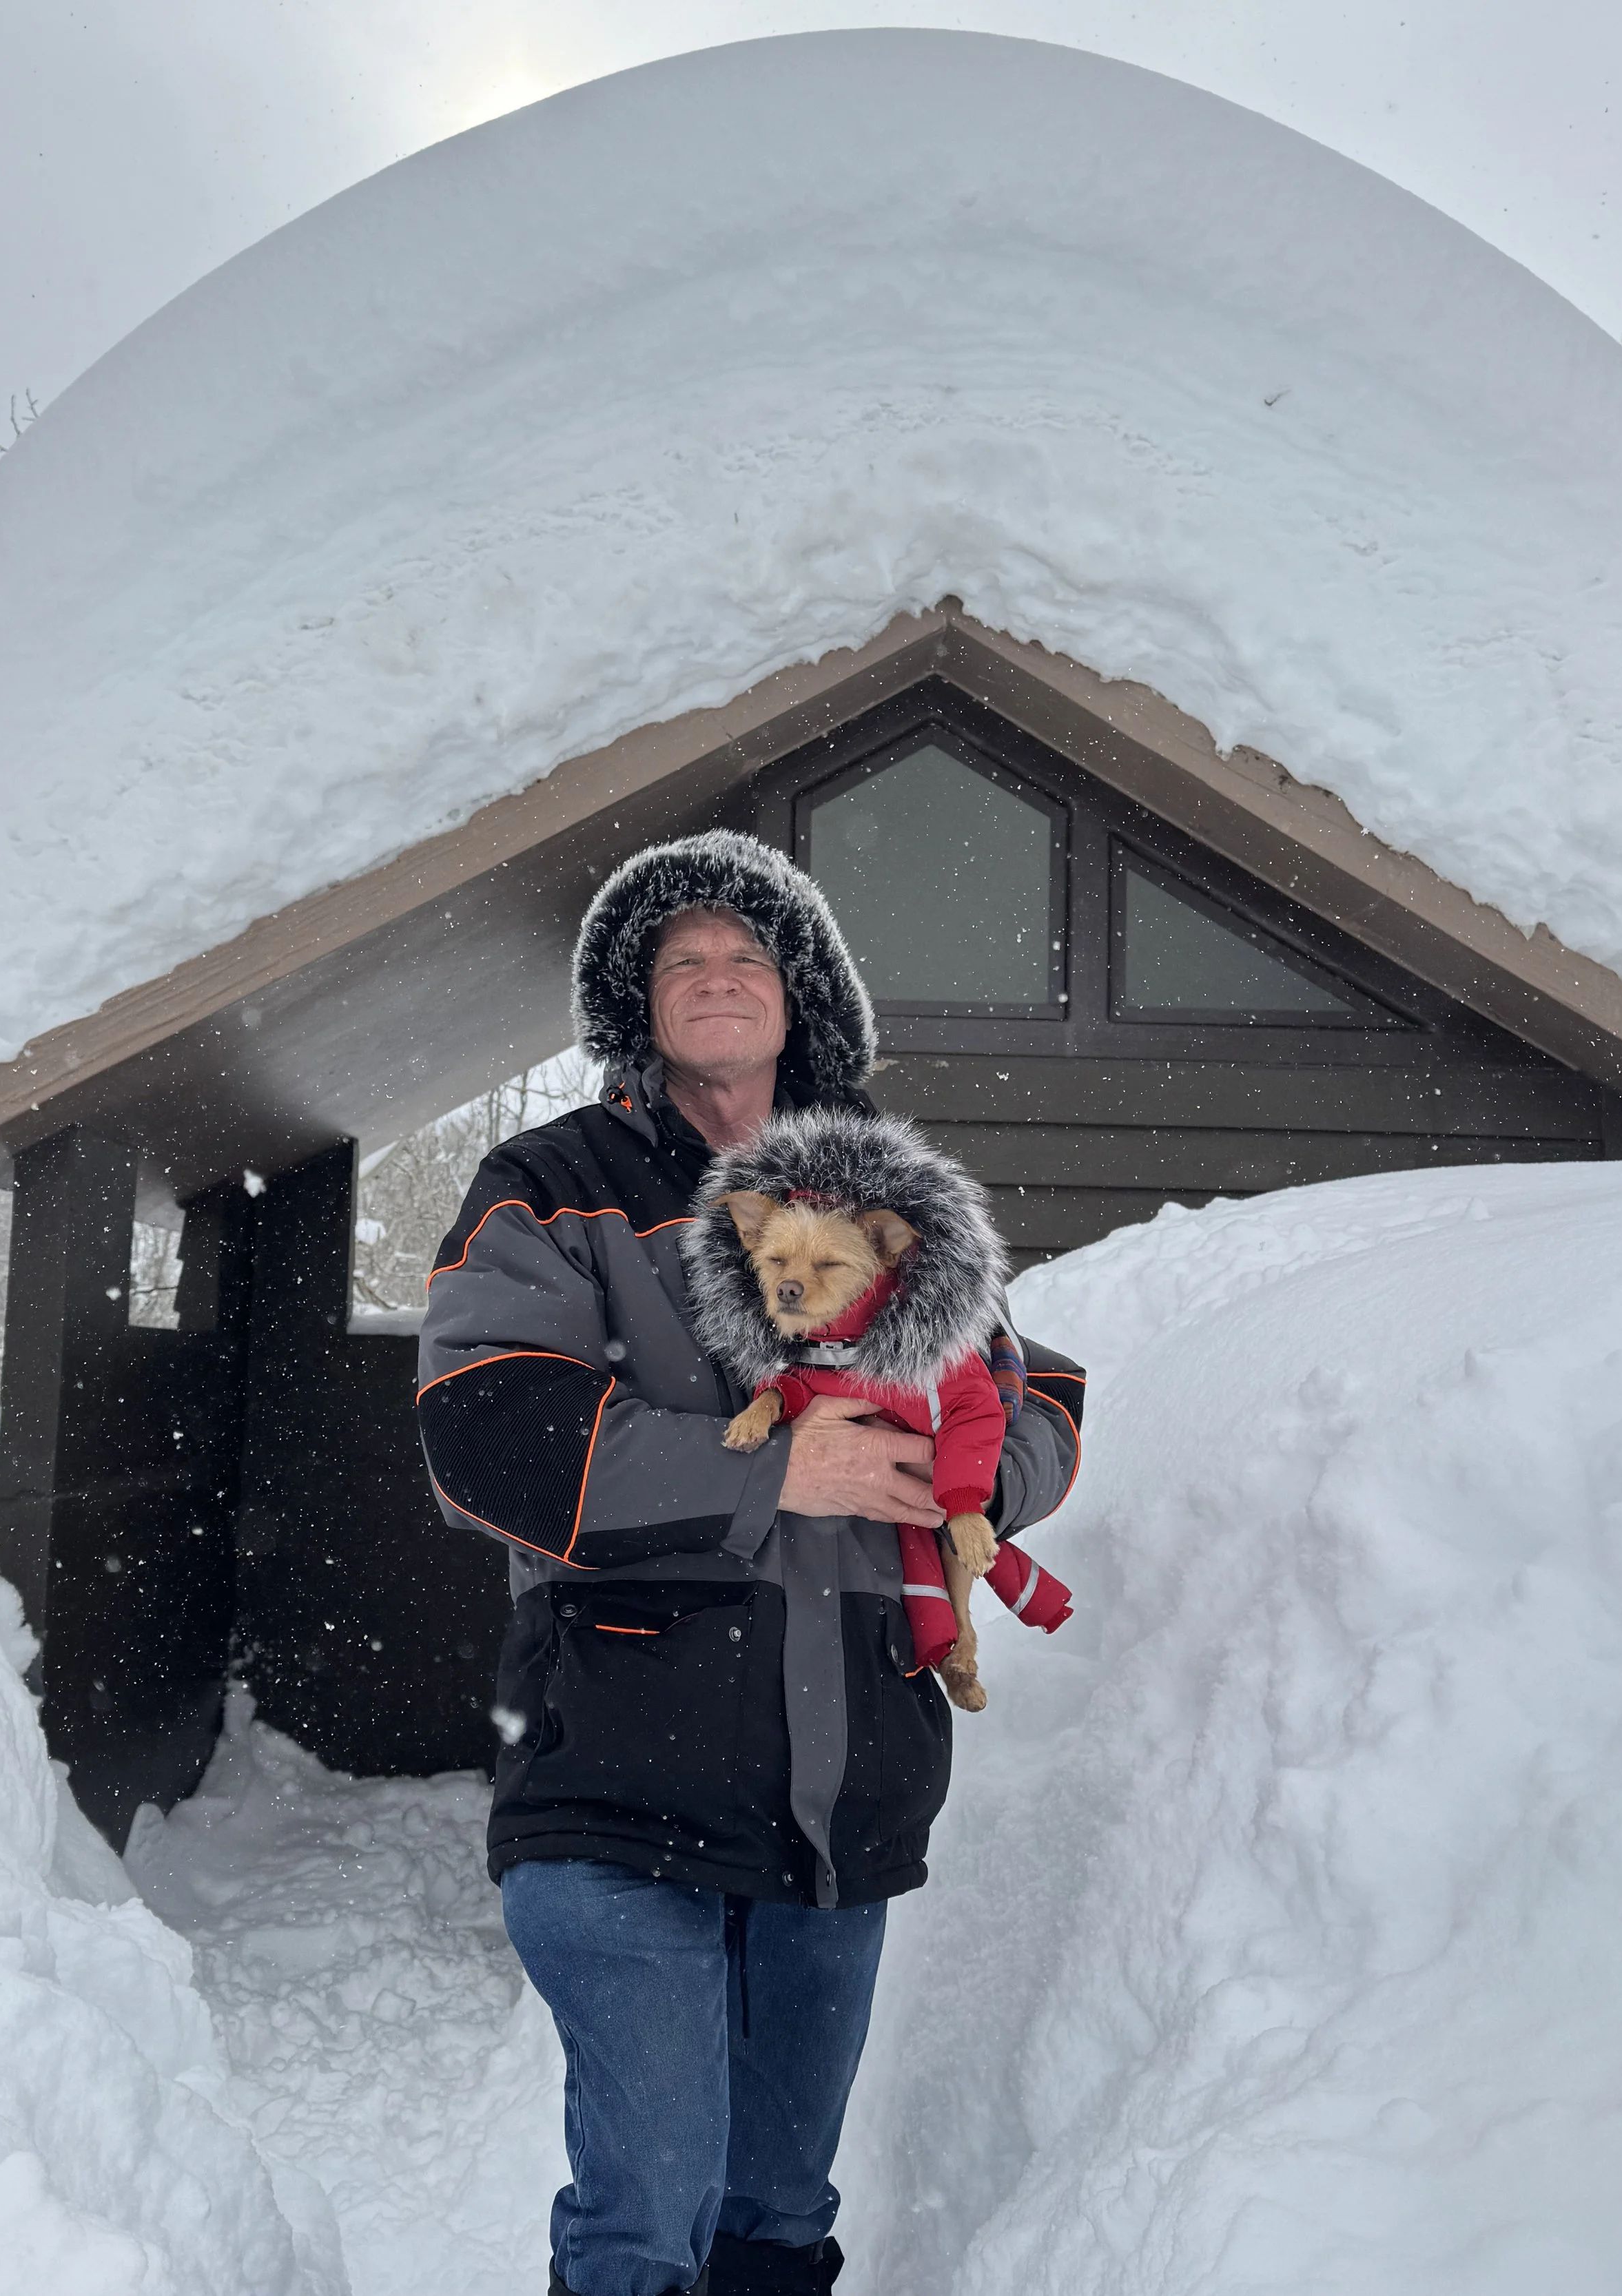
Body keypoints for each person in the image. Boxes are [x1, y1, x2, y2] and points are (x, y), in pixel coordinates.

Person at [417, 831, 1084, 2296]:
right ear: (634, 1009)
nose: (714, 979)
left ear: (801, 1005)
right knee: (646, 2206)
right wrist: (780, 1466)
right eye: (680, 963)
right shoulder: (553, 1184)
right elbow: (483, 1428)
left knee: (777, 2211)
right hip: (617, 1778)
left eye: (745, 959)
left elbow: (1037, 1398)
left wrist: (950, 1481)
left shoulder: (891, 1195)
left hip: (841, 1797)